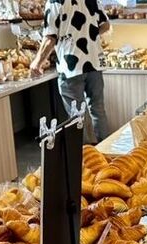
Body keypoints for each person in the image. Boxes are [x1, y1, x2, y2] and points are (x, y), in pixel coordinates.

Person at [30, 0, 109, 142]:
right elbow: (105, 25)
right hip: (94, 62)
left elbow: (50, 38)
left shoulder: (55, 2)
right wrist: (89, 36)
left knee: (77, 115)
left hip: (71, 65)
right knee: (98, 108)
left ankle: (85, 152)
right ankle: (104, 149)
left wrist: (37, 62)